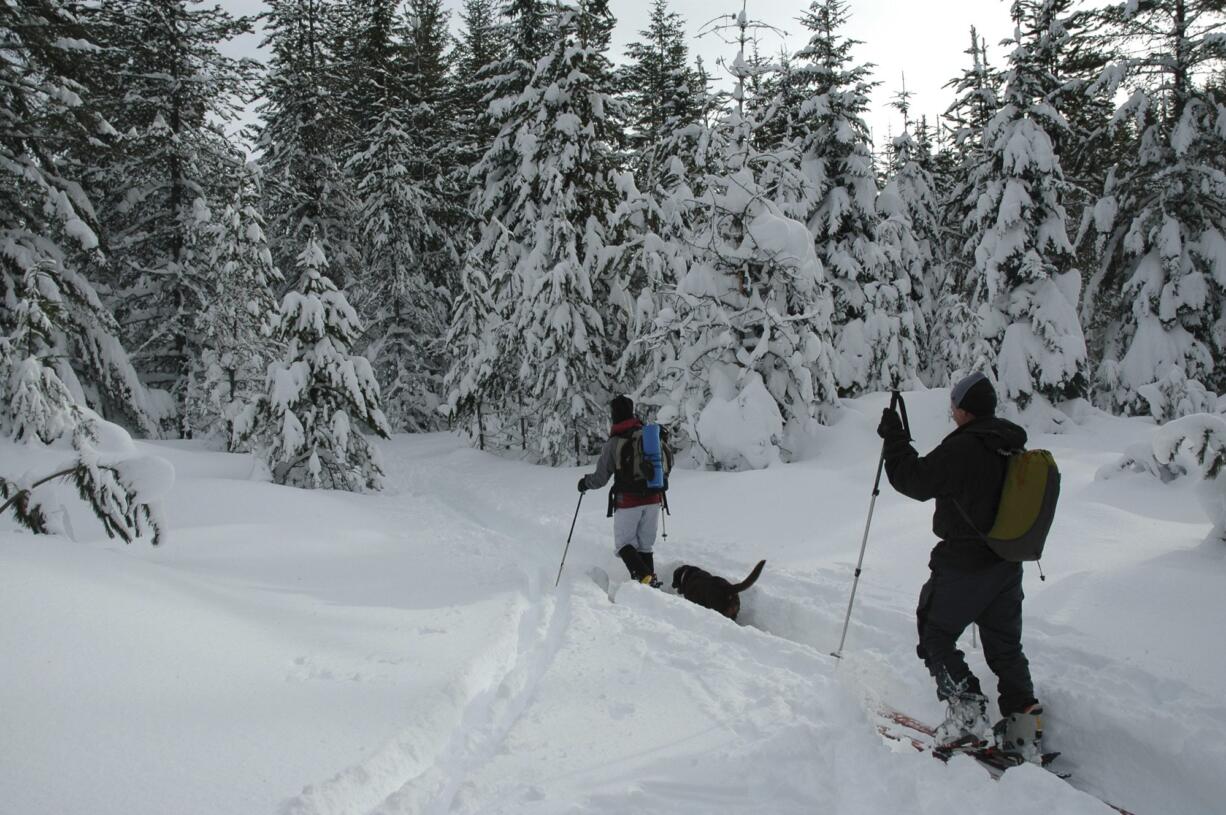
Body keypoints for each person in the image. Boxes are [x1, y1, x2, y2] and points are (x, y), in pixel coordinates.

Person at [877, 373, 1043, 761]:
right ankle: (1024, 732)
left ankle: (967, 716)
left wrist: (894, 440)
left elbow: (914, 481)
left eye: (954, 405)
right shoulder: (1010, 444)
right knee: (1005, 648)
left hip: (964, 564)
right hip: (1006, 564)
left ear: (964, 410)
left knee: (935, 634)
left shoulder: (965, 447)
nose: (951, 412)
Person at [579, 395, 664, 588]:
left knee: (624, 544)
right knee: (645, 545)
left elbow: (601, 478)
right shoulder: (648, 436)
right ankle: (651, 582)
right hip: (653, 497)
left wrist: (585, 483)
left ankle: (644, 578)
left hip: (628, 501)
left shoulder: (614, 443)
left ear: (614, 414)